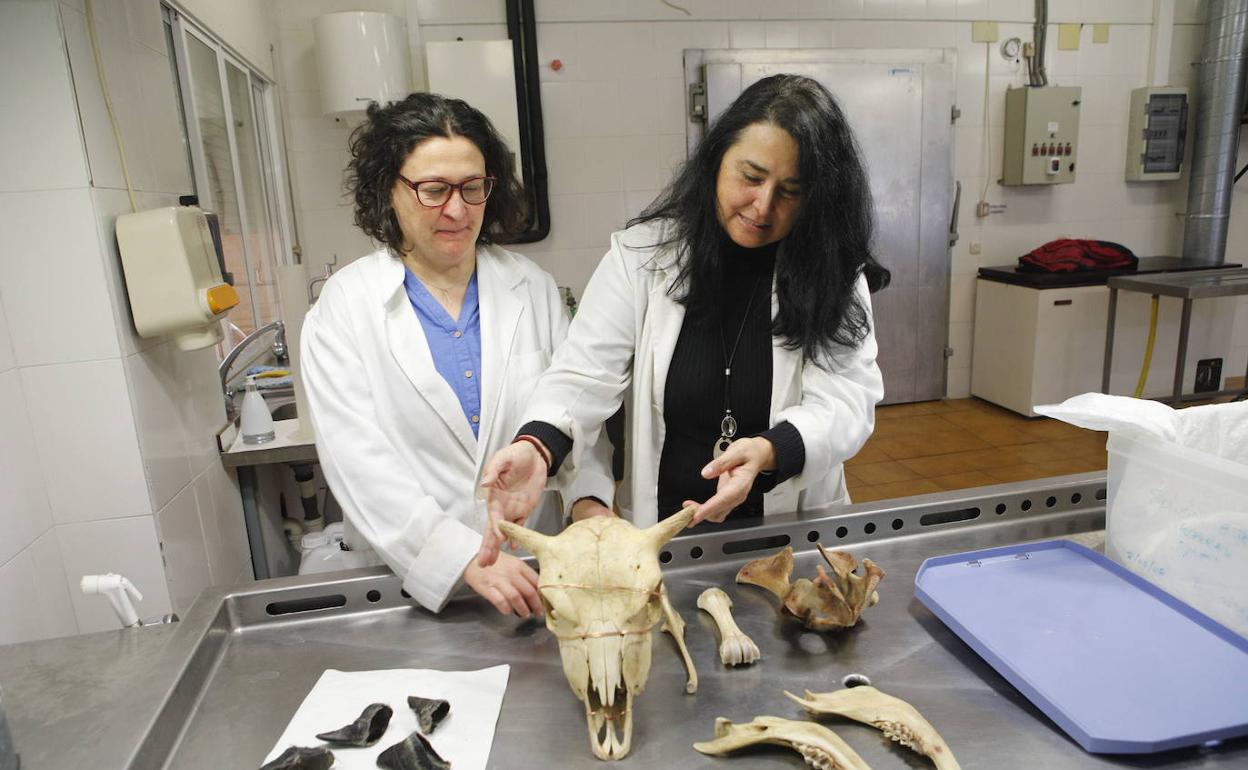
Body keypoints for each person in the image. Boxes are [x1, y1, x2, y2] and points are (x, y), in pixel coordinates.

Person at [478, 74, 889, 567]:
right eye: (751, 177)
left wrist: (771, 451)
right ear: (716, 160)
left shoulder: (833, 272)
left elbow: (848, 400)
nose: (763, 206)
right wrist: (538, 445)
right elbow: (584, 374)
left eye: (791, 191)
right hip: (664, 531)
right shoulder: (643, 258)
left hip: (789, 528)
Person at [301, 93, 614, 618]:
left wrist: (589, 502)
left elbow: (575, 408)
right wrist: (461, 555)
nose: (456, 209)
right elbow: (358, 461)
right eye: (432, 190)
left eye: (473, 188)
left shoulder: (531, 288)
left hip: (531, 578)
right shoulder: (347, 306)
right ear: (388, 190)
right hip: (408, 584)